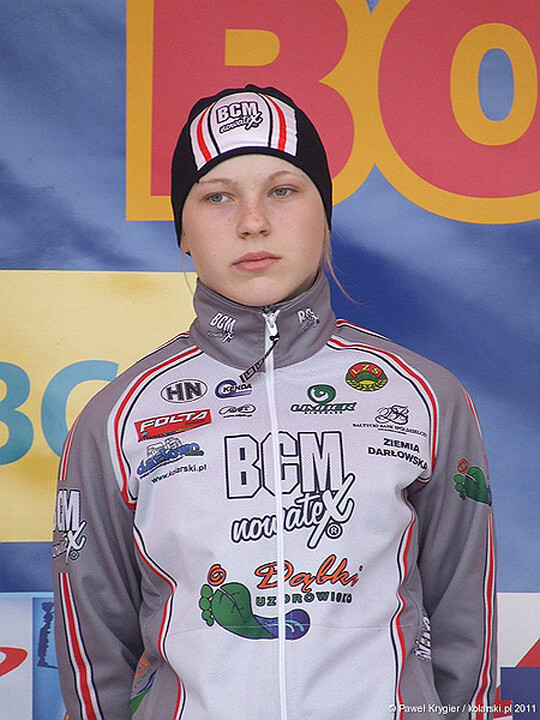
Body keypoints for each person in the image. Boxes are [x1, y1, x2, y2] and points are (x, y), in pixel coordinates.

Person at [52, 85, 496, 720]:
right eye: (218, 196)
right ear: (182, 232)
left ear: (325, 214)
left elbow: (464, 632)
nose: (253, 222)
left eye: (283, 190)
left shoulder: (426, 397)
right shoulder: (117, 417)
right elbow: (95, 655)